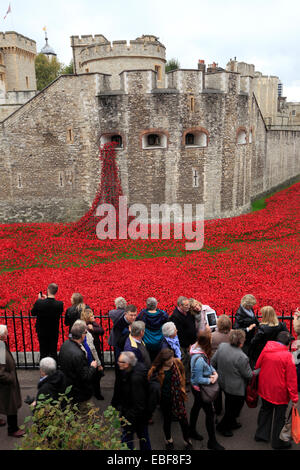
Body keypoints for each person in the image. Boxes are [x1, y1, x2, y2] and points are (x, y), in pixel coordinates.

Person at [254, 331, 298, 449]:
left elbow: (258, 365)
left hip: (265, 387)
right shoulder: (288, 356)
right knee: (279, 417)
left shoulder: (266, 349)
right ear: (287, 343)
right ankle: (278, 442)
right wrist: (294, 397)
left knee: (265, 410)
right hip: (280, 392)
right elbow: (291, 380)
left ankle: (261, 434)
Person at [211, 329, 254, 437]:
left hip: (222, 382)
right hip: (236, 388)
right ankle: (222, 427)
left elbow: (213, 362)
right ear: (241, 342)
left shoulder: (222, 347)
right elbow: (248, 375)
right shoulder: (242, 357)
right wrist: (257, 371)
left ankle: (232, 423)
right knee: (233, 409)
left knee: (230, 406)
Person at [148, 348, 192, 450]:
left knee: (183, 420)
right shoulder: (157, 370)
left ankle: (187, 440)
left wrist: (183, 387)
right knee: (167, 420)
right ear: (163, 361)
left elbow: (183, 374)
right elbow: (151, 383)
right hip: (165, 398)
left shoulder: (177, 362)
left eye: (171, 359)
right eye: (168, 361)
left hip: (178, 396)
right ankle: (168, 440)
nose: (171, 362)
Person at [189, 330, 225, 450]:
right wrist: (211, 379)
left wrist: (214, 372)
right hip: (200, 389)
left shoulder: (197, 349)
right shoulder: (199, 359)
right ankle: (212, 441)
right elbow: (198, 378)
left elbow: (207, 364)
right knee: (210, 414)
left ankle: (192, 430)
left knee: (196, 407)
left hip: (196, 388)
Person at [111, 351, 151, 450]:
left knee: (127, 439)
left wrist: (127, 417)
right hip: (140, 415)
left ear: (127, 364)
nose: (117, 363)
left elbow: (138, 402)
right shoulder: (137, 368)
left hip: (133, 416)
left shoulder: (135, 379)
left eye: (120, 362)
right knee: (143, 438)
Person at [58, 320, 97, 412]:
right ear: (82, 334)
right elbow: (84, 376)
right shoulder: (78, 354)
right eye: (86, 332)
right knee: (86, 415)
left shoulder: (65, 344)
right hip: (80, 392)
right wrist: (92, 367)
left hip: (68, 388)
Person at [0, 325, 24, 437]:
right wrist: (11, 378)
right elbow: (1, 373)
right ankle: (13, 429)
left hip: (7, 383)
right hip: (7, 385)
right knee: (11, 406)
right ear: (2, 336)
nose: (8, 334)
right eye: (6, 333)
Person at [31, 283, 64, 361]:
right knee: (53, 350)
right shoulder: (59, 304)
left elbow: (33, 313)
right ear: (56, 291)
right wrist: (46, 300)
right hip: (53, 331)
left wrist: (39, 300)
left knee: (43, 350)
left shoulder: (39, 303)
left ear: (48, 290)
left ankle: (44, 368)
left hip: (42, 331)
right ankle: (54, 367)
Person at [170, 297, 197, 387]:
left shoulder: (188, 312)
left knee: (190, 361)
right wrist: (188, 344)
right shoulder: (175, 316)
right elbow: (180, 334)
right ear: (180, 306)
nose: (188, 307)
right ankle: (184, 382)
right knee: (184, 362)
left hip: (191, 343)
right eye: (186, 305)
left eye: (188, 305)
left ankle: (189, 379)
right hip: (183, 344)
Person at [78, 315, 105, 400]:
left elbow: (93, 350)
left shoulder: (89, 334)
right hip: (84, 360)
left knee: (96, 377)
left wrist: (99, 363)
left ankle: (97, 393)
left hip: (92, 358)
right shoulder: (78, 337)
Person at [211, 314, 232, 415]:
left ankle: (217, 408)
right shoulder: (233, 334)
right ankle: (229, 409)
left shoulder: (213, 335)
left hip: (216, 363)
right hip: (229, 362)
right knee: (228, 388)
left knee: (217, 387)